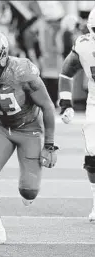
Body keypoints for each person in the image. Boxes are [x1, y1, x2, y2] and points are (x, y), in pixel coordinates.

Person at [0, 30, 58, 245]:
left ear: (3, 55)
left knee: (29, 191)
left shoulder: (21, 70)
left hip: (29, 129)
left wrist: (50, 145)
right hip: (0, 127)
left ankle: (29, 190)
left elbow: (47, 105)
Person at [58, 8, 95, 222]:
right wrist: (65, 103)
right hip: (94, 102)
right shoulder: (84, 45)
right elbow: (66, 72)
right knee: (92, 152)